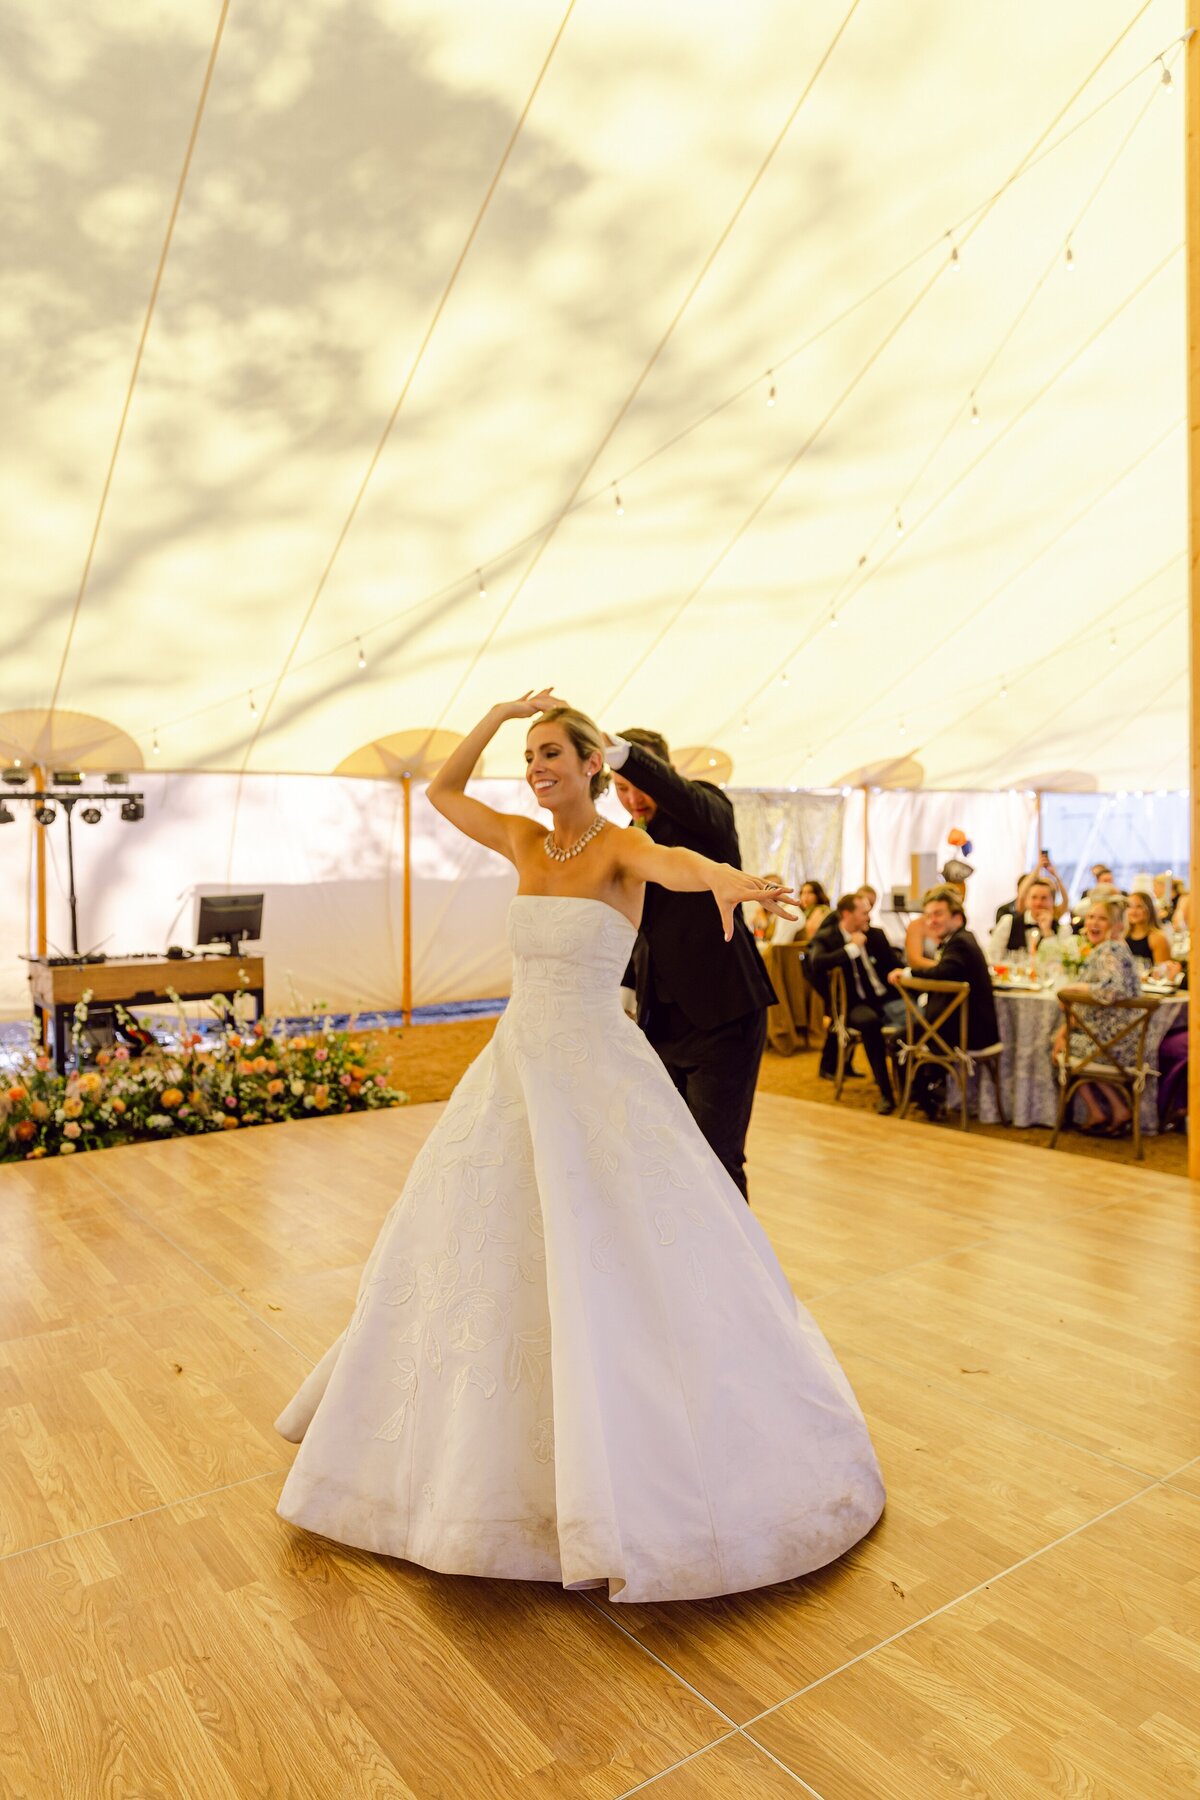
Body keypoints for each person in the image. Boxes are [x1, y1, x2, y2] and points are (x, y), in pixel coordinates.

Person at [273, 691, 885, 1604]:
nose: (538, 766)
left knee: (614, 1242)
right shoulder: (524, 841)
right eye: (530, 756)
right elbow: (443, 792)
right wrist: (491, 717)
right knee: (484, 1245)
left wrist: (725, 881)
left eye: (554, 751)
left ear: (595, 764)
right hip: (515, 1068)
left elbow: (673, 858)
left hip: (598, 1066)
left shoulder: (616, 848)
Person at [605, 724, 776, 1201]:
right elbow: (645, 926)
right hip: (660, 1024)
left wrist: (623, 757)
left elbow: (679, 796)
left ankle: (736, 1272)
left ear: (662, 771)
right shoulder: (626, 842)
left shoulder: (706, 810)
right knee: (670, 1153)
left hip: (724, 1013)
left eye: (640, 784)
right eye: (621, 789)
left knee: (717, 1158)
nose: (634, 799)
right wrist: (626, 986)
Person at [891, 886, 1000, 1120]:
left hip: (967, 1032)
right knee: (911, 1033)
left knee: (898, 1041)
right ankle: (927, 1095)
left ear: (957, 917)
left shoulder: (960, 943)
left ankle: (920, 1099)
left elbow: (946, 971)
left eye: (938, 914)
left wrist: (908, 974)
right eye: (928, 915)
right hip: (961, 1025)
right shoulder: (960, 939)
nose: (931, 921)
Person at [1051, 892, 1141, 1134]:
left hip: (1117, 1043)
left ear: (1116, 926)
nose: (1092, 923)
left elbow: (1114, 990)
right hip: (1114, 1038)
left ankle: (1098, 1110)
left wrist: (1074, 987)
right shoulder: (1106, 950)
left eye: (1101, 919)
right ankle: (1113, 1109)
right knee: (1063, 1041)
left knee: (1061, 1049)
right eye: (1090, 917)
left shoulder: (1110, 950)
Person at [810, 892, 905, 1113]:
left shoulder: (876, 935)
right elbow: (816, 963)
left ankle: (918, 1090)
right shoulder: (828, 938)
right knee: (871, 1024)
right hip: (854, 1004)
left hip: (886, 998)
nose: (868, 917)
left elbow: (893, 963)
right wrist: (850, 949)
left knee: (919, 1018)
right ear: (847, 914)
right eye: (864, 912)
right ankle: (886, 1093)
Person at [986, 875, 1073, 964]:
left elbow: (1060, 964)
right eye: (1034, 897)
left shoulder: (1062, 930)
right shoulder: (1008, 922)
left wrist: (1047, 932)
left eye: (1044, 898)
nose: (1038, 903)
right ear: (1027, 900)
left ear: (1053, 901)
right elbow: (992, 956)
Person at [1124, 889, 1172, 970]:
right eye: (1129, 906)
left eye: (1139, 906)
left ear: (1149, 909)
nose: (1133, 911)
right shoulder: (1122, 937)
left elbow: (1163, 974)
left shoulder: (1158, 939)